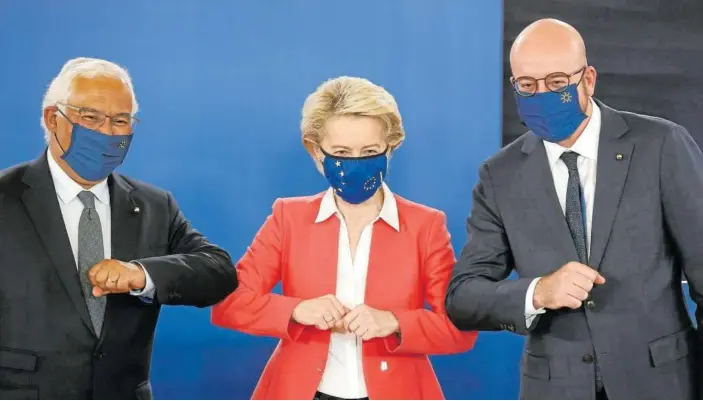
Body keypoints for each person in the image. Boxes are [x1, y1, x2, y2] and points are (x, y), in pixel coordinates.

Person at [445, 18, 702, 400]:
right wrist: (538, 292)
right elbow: (462, 298)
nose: (542, 95)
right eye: (527, 86)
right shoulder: (500, 175)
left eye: (556, 83)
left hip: (661, 383)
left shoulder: (660, 145)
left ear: (588, 79)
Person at [212, 76, 477, 400]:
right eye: (340, 152)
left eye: (369, 151)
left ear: (390, 147)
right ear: (315, 151)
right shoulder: (288, 218)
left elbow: (459, 329)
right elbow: (228, 304)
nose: (355, 163)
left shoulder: (426, 226)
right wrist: (297, 310)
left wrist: (394, 322)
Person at [0, 57, 237, 399]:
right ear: (54, 118)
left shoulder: (154, 205)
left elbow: (218, 271)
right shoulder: (5, 198)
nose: (106, 132)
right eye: (91, 118)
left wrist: (141, 274)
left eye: (120, 121)